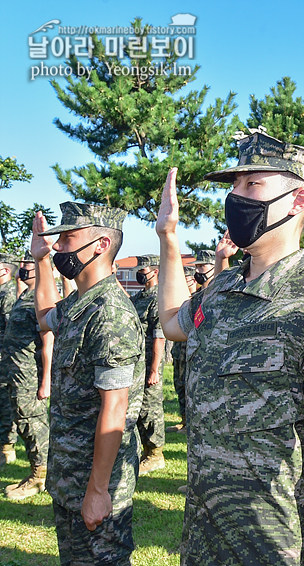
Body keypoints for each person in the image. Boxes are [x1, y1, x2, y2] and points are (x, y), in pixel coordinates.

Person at [155, 129, 304, 565]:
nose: (235, 197)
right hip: (204, 531)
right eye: (233, 186)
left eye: (252, 184)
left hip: (273, 540)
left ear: (300, 201)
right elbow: (173, 323)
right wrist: (168, 238)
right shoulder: (222, 286)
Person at [30, 202, 144, 565]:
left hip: (96, 482)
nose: (59, 245)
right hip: (70, 477)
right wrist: (41, 260)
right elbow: (45, 315)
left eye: (68, 238)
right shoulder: (79, 303)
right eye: (57, 239)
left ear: (101, 245)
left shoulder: (109, 314)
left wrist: (97, 491)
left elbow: (116, 408)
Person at [2, 251, 54, 499]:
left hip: (29, 374)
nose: (22, 267)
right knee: (23, 420)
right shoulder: (25, 296)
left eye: (27, 264)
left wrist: (46, 381)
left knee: (33, 422)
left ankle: (39, 476)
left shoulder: (39, 299)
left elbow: (48, 343)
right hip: (16, 371)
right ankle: (37, 471)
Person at [130, 254, 167, 475]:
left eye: (143, 271)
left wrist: (154, 369)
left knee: (150, 408)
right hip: (136, 363)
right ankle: (144, 450)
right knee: (139, 408)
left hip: (149, 362)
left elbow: (159, 337)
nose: (140, 274)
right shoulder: (138, 299)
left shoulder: (157, 299)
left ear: (154, 272)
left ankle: (155, 455)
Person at [166, 263, 198, 434]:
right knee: (179, 386)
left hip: (191, 353)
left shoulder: (199, 298)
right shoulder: (181, 302)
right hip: (179, 352)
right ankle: (184, 421)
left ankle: (191, 423)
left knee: (188, 387)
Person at [0, 252, 19, 467]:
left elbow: (8, 329)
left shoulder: (7, 294)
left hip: (4, 358)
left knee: (4, 402)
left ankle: (6, 449)